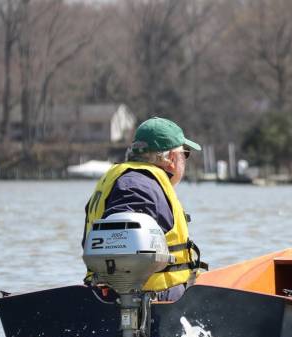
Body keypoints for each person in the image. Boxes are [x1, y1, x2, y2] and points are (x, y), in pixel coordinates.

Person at [82, 116, 206, 301]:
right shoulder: (138, 187)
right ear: (172, 158)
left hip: (107, 297)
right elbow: (122, 240)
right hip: (153, 303)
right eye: (185, 154)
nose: (185, 160)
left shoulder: (127, 179)